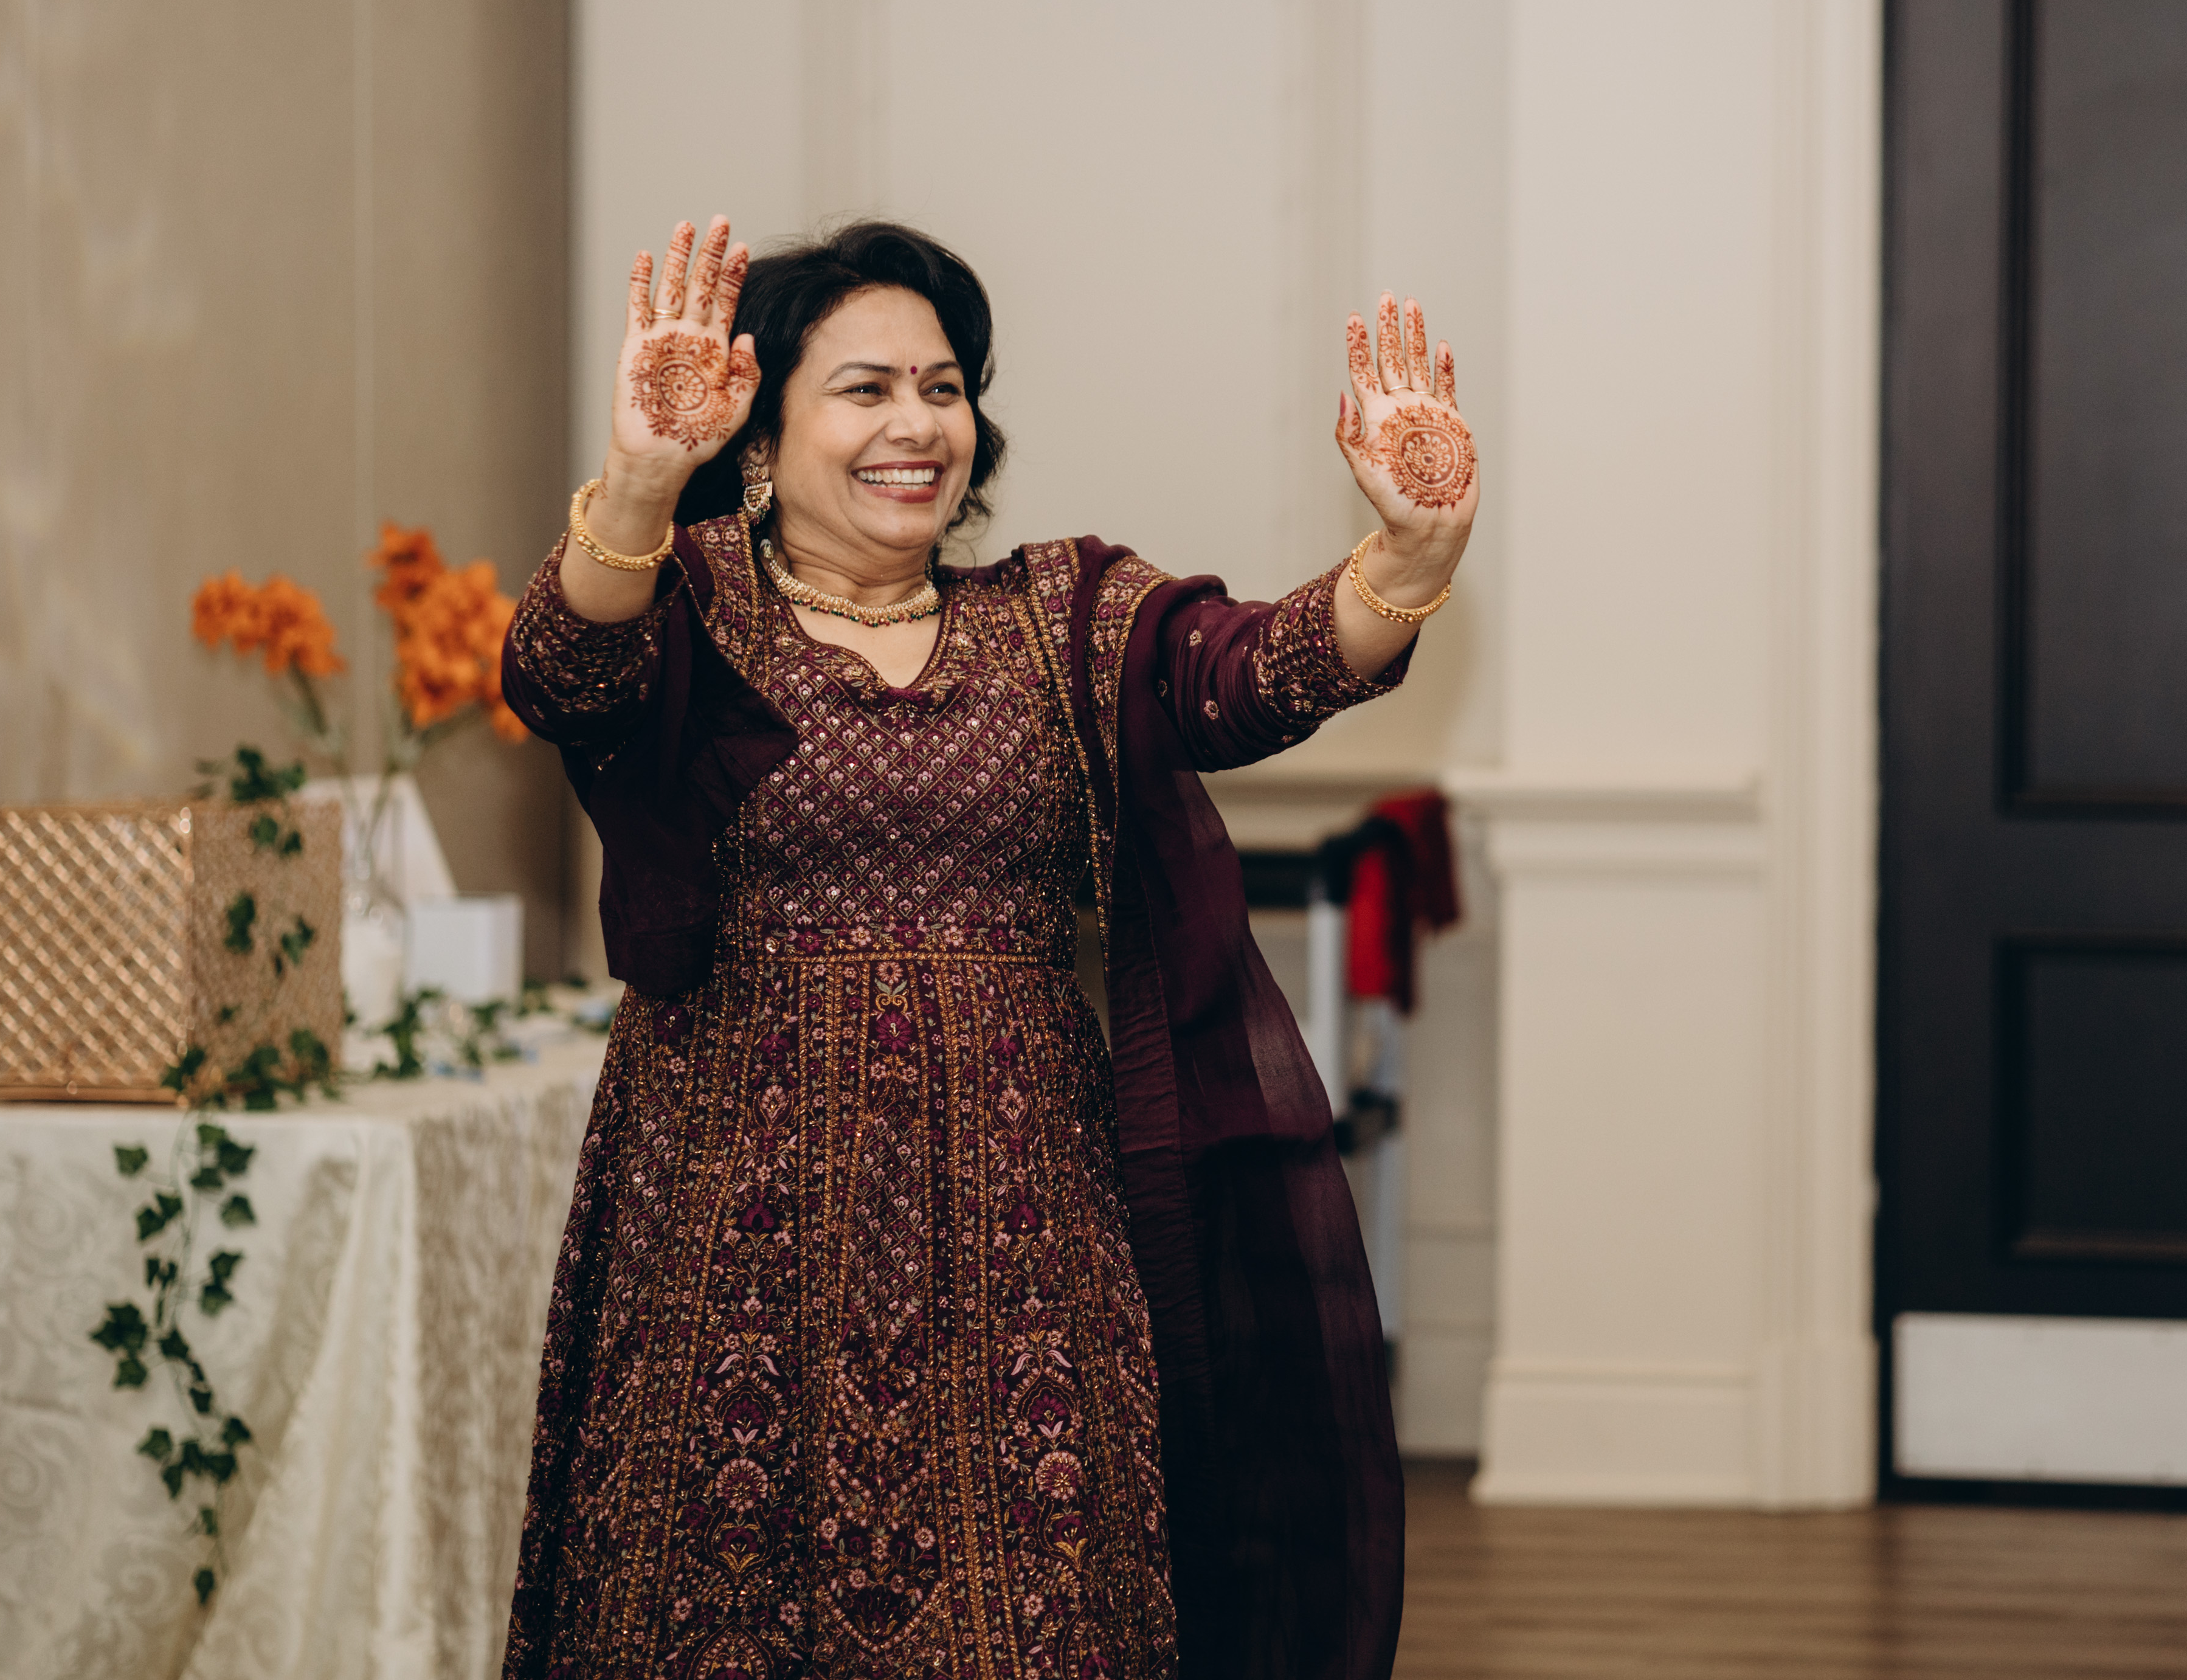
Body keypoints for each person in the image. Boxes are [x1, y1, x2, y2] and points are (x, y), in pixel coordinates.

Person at [499, 216, 1476, 1680]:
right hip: (733, 1230)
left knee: (1036, 1610)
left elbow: (1256, 673)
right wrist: (637, 482)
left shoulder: (1065, 616)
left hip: (1024, 1231)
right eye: (866, 388)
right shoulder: (688, 604)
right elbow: (561, 674)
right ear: (759, 431)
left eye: (943, 388)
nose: (917, 424)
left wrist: (1411, 549)